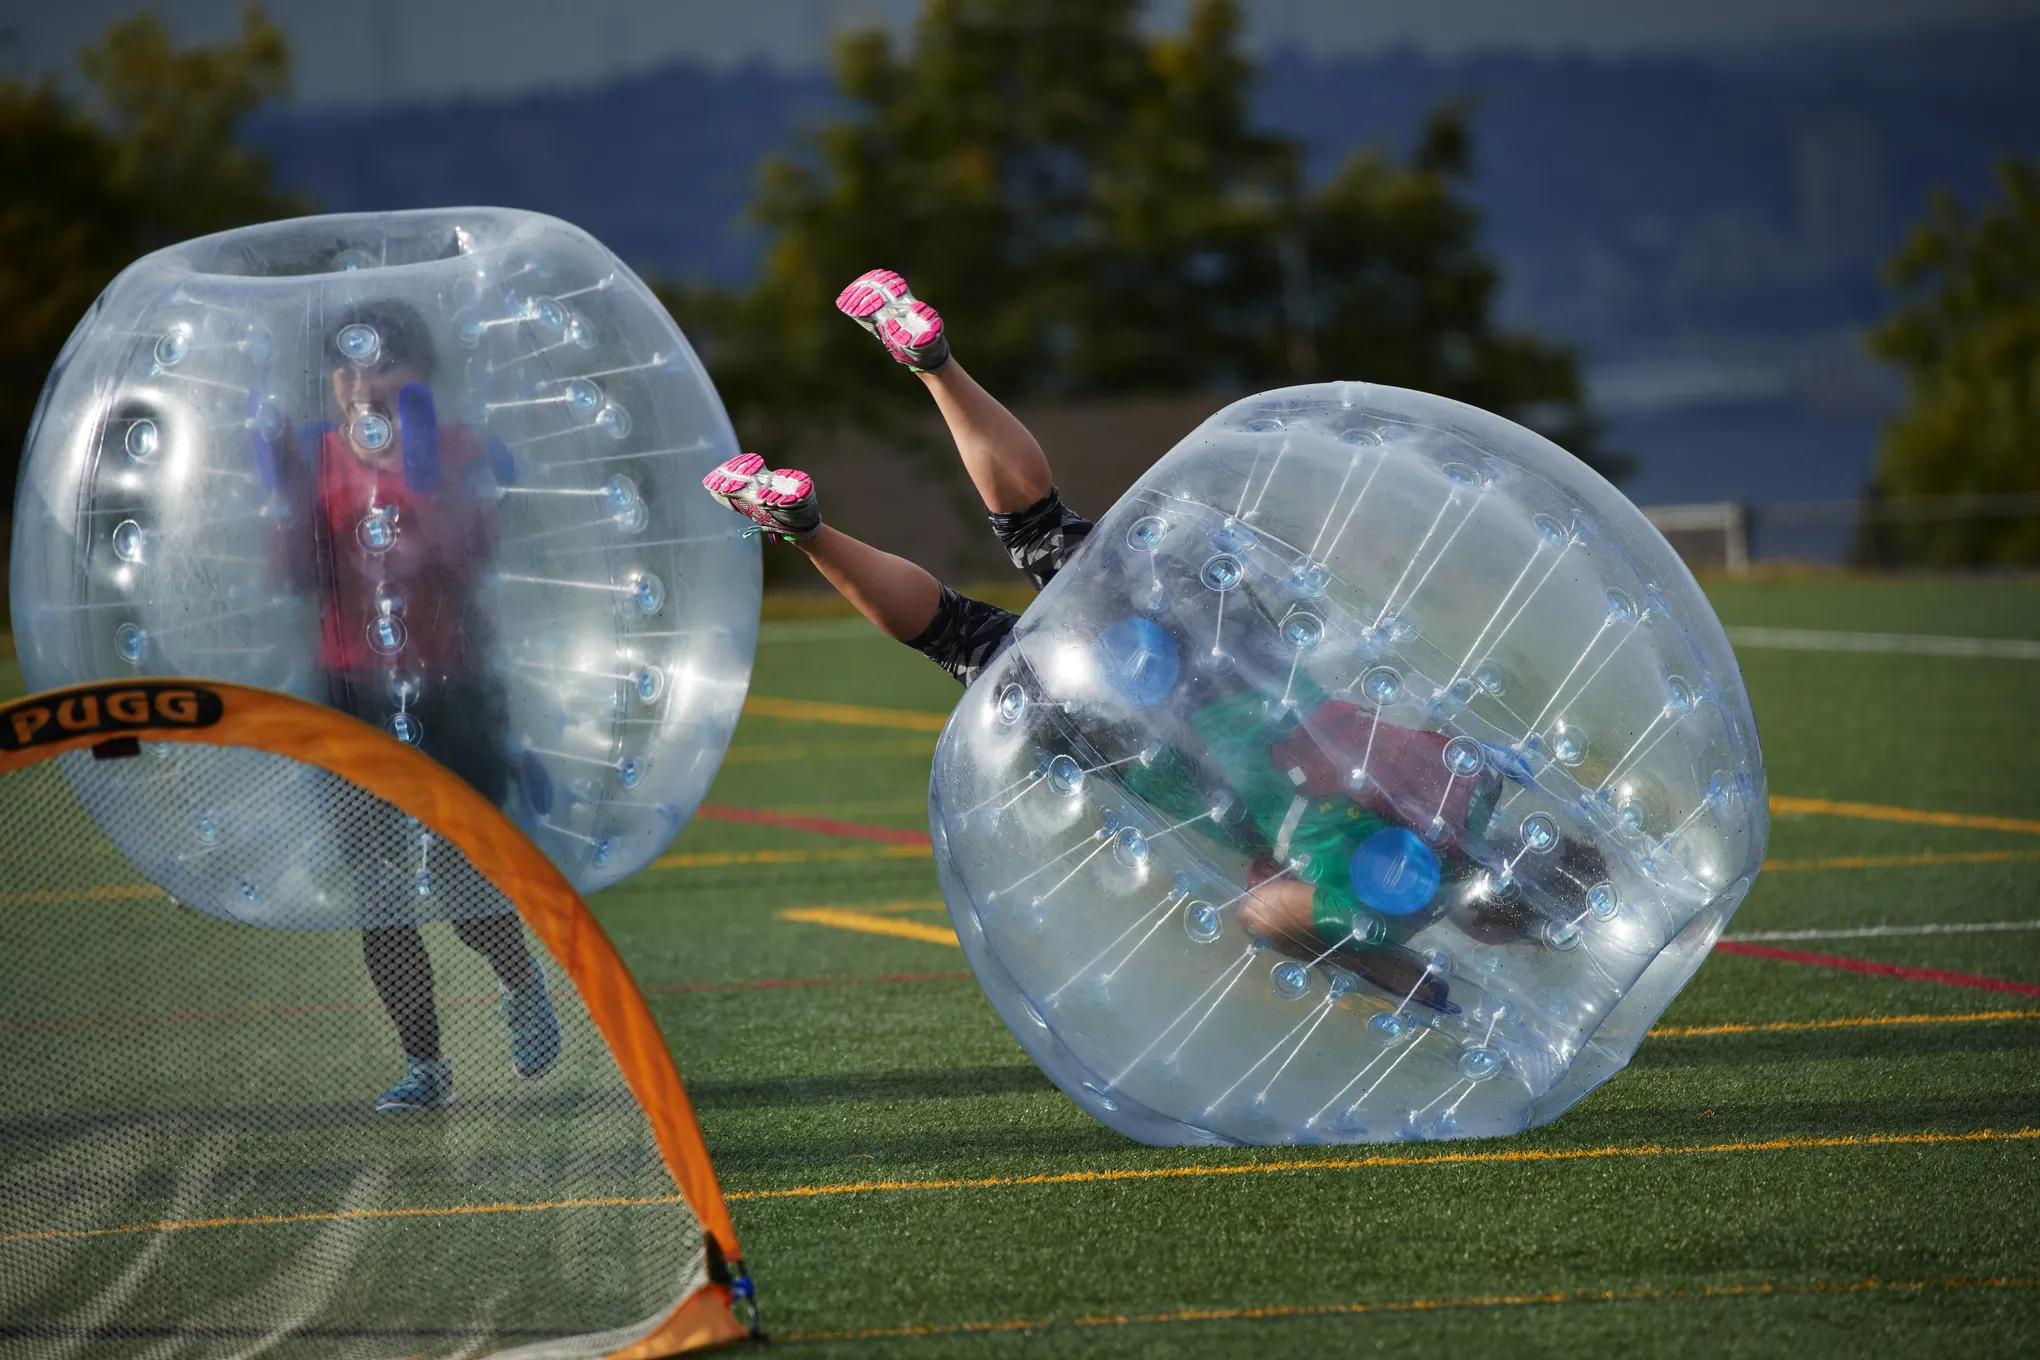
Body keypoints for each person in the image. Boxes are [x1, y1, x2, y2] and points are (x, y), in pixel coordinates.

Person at [703, 273, 1598, 1012]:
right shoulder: (1382, 904)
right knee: (958, 636)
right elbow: (1262, 913)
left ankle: (933, 363)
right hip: (1176, 752)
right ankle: (804, 526)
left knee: (1040, 527)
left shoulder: (1475, 772)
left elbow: (1404, 698)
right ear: (1496, 921)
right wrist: (1387, 969)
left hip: (1242, 657)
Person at [300, 297, 561, 1113]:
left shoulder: (455, 449)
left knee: (455, 870)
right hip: (348, 688)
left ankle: (520, 981)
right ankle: (424, 1064)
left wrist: (423, 482)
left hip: (450, 679)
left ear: (421, 374)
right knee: (374, 886)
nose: (361, 380)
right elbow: (290, 574)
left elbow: (473, 554)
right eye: (346, 366)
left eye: (382, 362)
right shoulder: (314, 460)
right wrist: (282, 504)